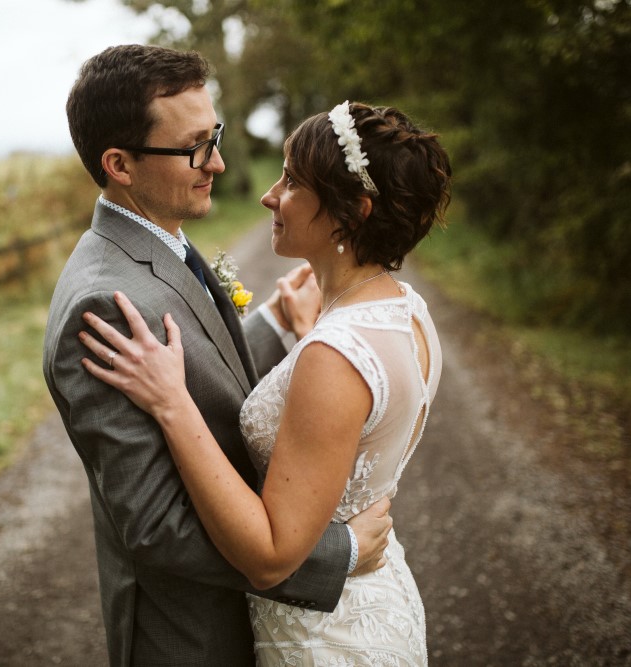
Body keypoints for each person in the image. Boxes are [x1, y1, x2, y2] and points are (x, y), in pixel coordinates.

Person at [42, 45, 393, 666]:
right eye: (195, 147)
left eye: (216, 136)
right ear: (120, 164)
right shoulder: (103, 304)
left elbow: (196, 375)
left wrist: (274, 325)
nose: (220, 163)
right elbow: (154, 524)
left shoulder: (154, 237)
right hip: (193, 638)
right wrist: (330, 555)